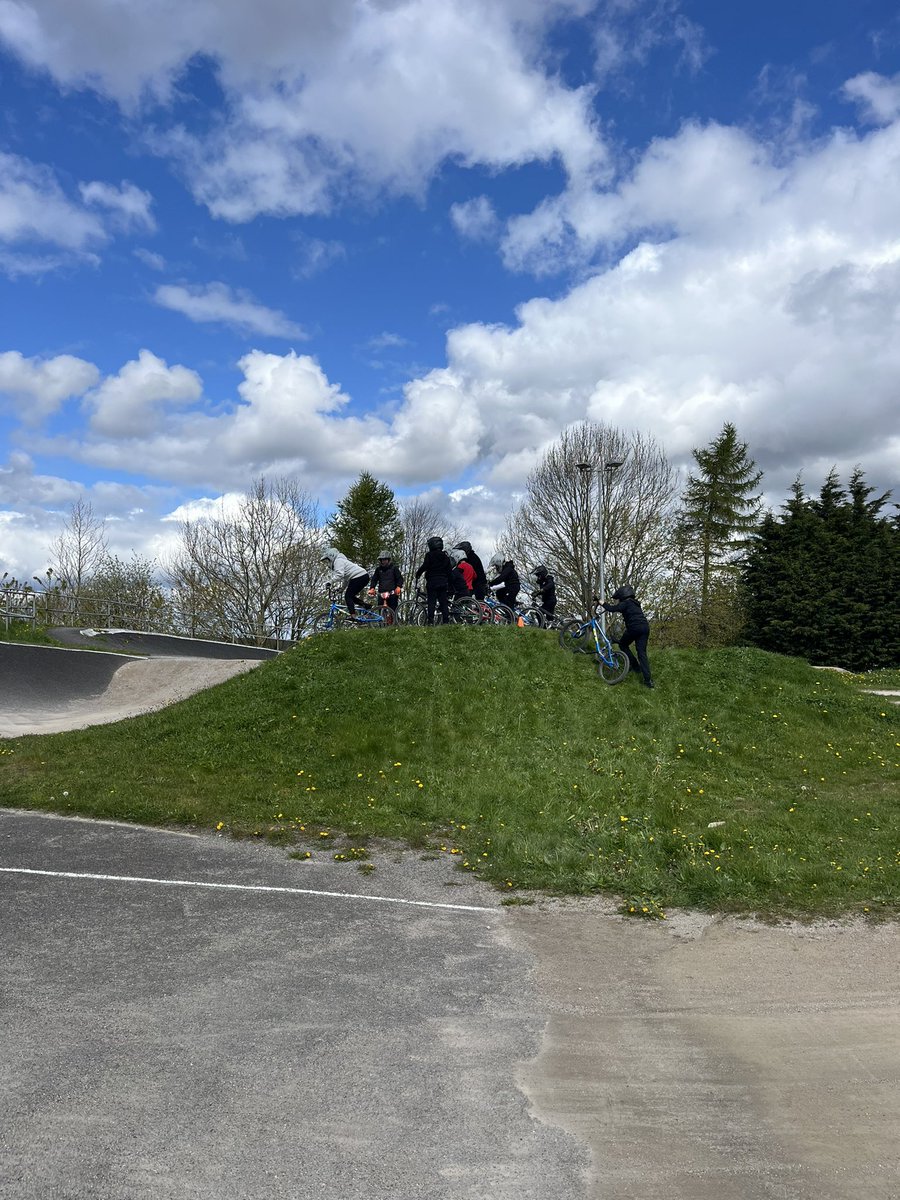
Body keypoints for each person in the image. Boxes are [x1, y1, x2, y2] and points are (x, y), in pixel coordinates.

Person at [602, 584, 654, 687]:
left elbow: (612, 609)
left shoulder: (626, 603)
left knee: (623, 645)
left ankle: (635, 666)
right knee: (642, 653)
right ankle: (648, 681)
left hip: (634, 628)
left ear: (623, 596)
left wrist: (601, 602)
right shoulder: (636, 604)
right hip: (645, 628)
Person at [415, 536, 454, 625]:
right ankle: (446, 621)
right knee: (443, 602)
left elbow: (425, 566)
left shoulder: (429, 555)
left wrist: (418, 574)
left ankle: (431, 621)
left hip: (432, 582)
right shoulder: (445, 556)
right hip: (443, 582)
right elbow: (449, 572)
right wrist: (451, 583)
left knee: (431, 602)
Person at [321, 547, 369, 615]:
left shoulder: (338, 561)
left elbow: (339, 575)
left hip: (359, 577)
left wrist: (329, 582)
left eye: (328, 560)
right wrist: (342, 589)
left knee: (348, 596)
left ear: (331, 556)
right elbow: (345, 579)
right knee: (351, 596)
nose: (328, 562)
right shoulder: (340, 561)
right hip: (362, 576)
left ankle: (353, 615)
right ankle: (366, 606)